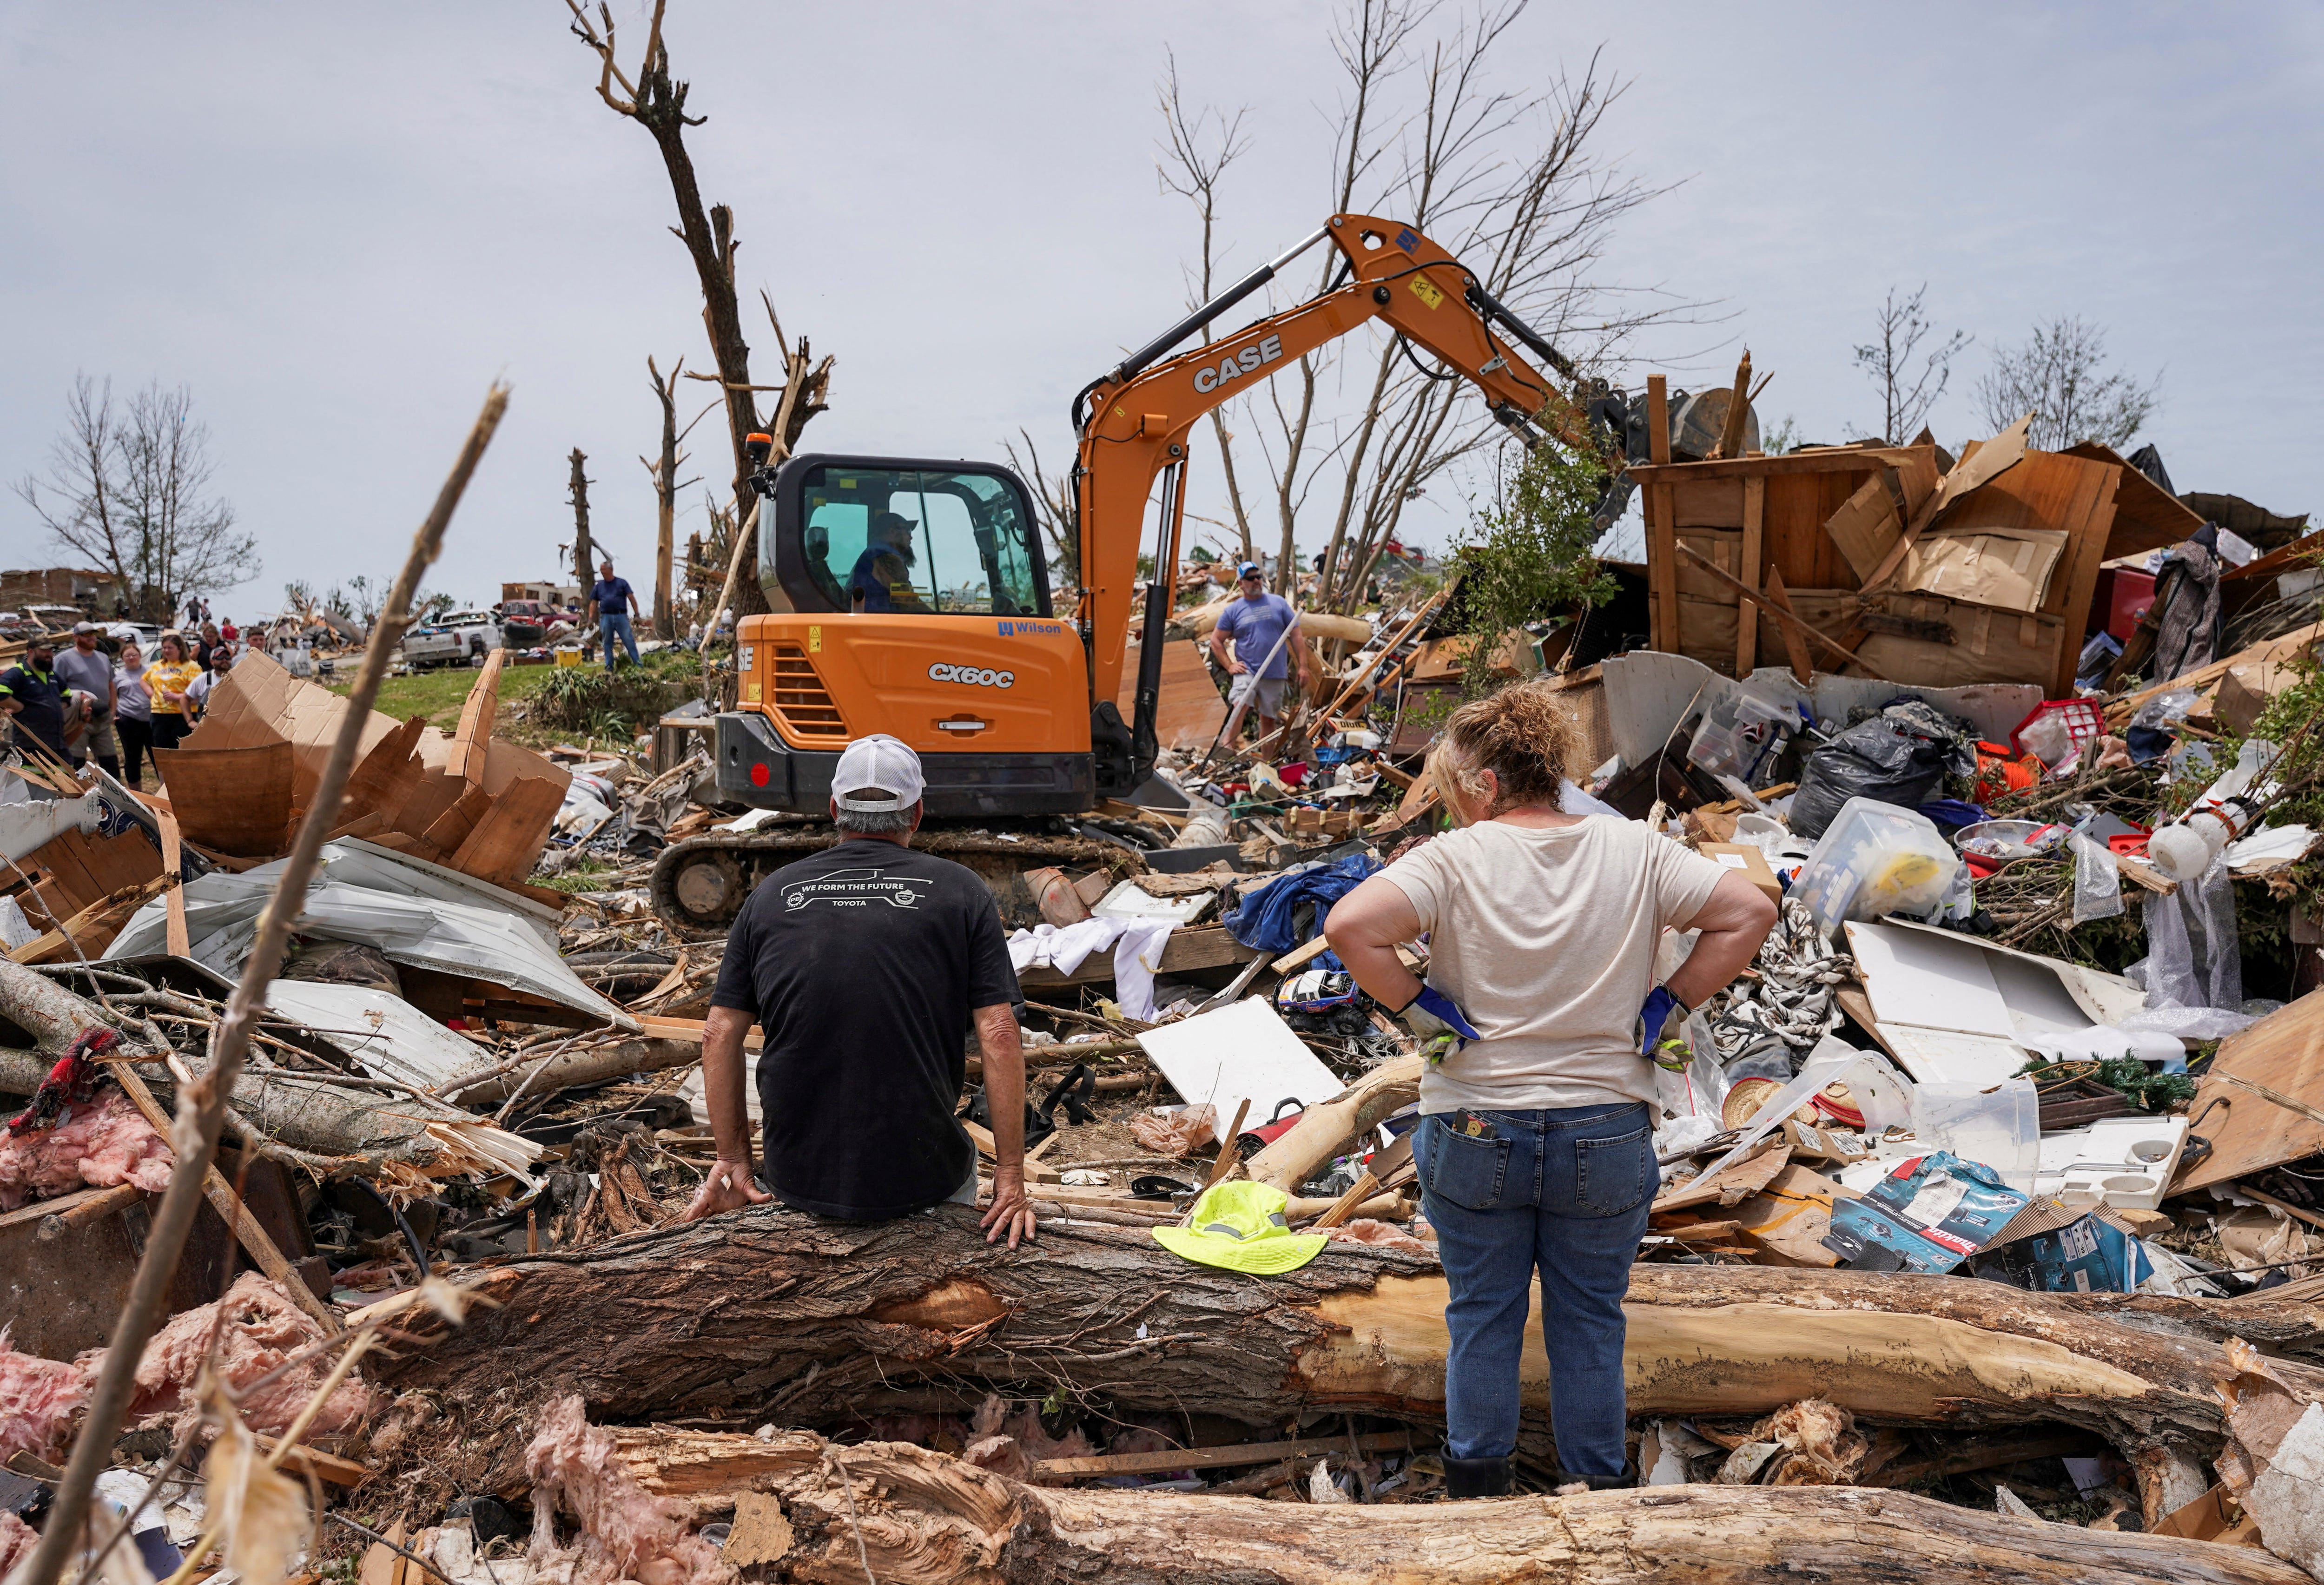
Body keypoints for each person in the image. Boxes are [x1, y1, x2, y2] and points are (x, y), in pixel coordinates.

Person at [1324, 680, 1776, 1498]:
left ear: (1488, 783)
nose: (1455, 804)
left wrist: (1422, 1012)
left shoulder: (1453, 859)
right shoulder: (1633, 850)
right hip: (1603, 1129)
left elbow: (1350, 928)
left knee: (1482, 1318)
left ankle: (1478, 1497)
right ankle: (1598, 1498)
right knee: (1590, 1321)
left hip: (1474, 1129)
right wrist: (1668, 1002)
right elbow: (1747, 910)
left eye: (1456, 787)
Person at [682, 733, 1037, 1248]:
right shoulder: (962, 891)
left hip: (795, 1182)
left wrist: (734, 1159)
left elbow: (718, 1034)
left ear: (834, 809)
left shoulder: (770, 895)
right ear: (916, 813)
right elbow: (1000, 1032)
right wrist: (1009, 1176)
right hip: (924, 1181)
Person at [1208, 561, 1312, 742]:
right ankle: (1225, 750)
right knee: (1239, 707)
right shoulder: (1233, 611)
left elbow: (1296, 635)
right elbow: (1216, 640)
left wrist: (1303, 667)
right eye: (1250, 578)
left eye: (1258, 577)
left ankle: (1266, 764)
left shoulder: (1278, 603)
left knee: (1268, 721)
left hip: (1274, 673)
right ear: (1241, 583)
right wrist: (1230, 666)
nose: (1256, 581)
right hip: (1247, 670)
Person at [54, 622, 121, 780]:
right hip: (78, 720)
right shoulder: (63, 659)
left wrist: (112, 712)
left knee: (109, 760)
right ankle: (78, 791)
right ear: (75, 637)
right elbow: (57, 689)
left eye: (93, 634)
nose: (91, 638)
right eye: (86, 635)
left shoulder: (103, 658)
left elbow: (111, 685)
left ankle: (115, 796)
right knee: (77, 761)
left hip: (102, 718)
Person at [0, 637, 72, 762]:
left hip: (57, 743)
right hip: (29, 746)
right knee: (34, 778)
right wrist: (18, 707)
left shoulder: (51, 675)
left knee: (65, 776)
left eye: (51, 650)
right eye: (44, 651)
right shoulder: (19, 673)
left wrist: (53, 709)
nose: (49, 654)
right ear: (31, 651)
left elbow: (67, 696)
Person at [846, 512, 929, 613]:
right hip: (875, 624)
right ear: (893, 532)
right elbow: (906, 601)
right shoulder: (885, 556)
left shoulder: (873, 553)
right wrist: (937, 617)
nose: (911, 537)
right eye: (908, 531)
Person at [144, 633, 204, 754]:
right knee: (163, 751)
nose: (166, 651)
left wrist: (177, 697)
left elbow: (198, 695)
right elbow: (144, 681)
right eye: (164, 648)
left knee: (181, 751)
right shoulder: (158, 666)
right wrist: (152, 695)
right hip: (159, 714)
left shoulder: (192, 667)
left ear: (180, 648)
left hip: (182, 715)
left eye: (170, 648)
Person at [586, 559, 642, 671]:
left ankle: (638, 664)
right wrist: (590, 619)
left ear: (611, 570)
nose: (602, 572)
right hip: (606, 617)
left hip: (621, 616)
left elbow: (632, 598)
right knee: (607, 642)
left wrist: (637, 615)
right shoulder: (599, 586)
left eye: (604, 570)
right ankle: (609, 666)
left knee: (628, 640)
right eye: (601, 570)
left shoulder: (622, 583)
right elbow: (593, 603)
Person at [113, 641, 155, 789]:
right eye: (127, 656)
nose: (131, 658)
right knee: (132, 758)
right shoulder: (118, 676)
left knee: (157, 756)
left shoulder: (150, 671)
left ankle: (167, 792)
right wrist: (114, 714)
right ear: (123, 658)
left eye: (134, 655)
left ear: (140, 655)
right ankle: (138, 796)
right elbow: (113, 696)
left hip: (150, 719)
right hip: (128, 720)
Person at [186, 646, 235, 716]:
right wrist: (190, 721)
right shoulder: (204, 678)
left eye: (227, 658)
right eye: (220, 658)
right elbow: (185, 699)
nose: (225, 660)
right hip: (208, 724)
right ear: (212, 661)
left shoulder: (239, 677)